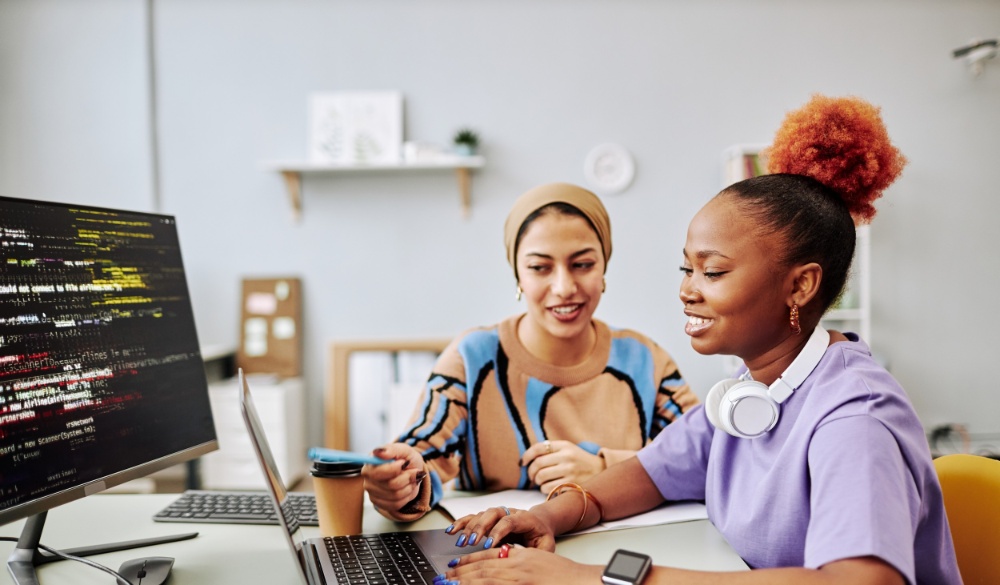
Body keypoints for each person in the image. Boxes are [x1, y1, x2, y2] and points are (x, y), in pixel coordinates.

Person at [436, 95, 963, 584]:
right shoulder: (751, 391)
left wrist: (590, 578)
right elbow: (648, 474)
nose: (687, 291)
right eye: (686, 268)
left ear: (800, 285)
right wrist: (546, 515)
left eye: (712, 272)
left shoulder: (854, 418)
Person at [362, 182, 698, 522]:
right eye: (540, 268)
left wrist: (604, 469)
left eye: (582, 264)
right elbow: (421, 460)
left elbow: (712, 462)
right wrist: (399, 484)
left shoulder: (644, 360)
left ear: (604, 267)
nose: (564, 288)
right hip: (494, 556)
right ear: (518, 275)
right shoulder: (473, 357)